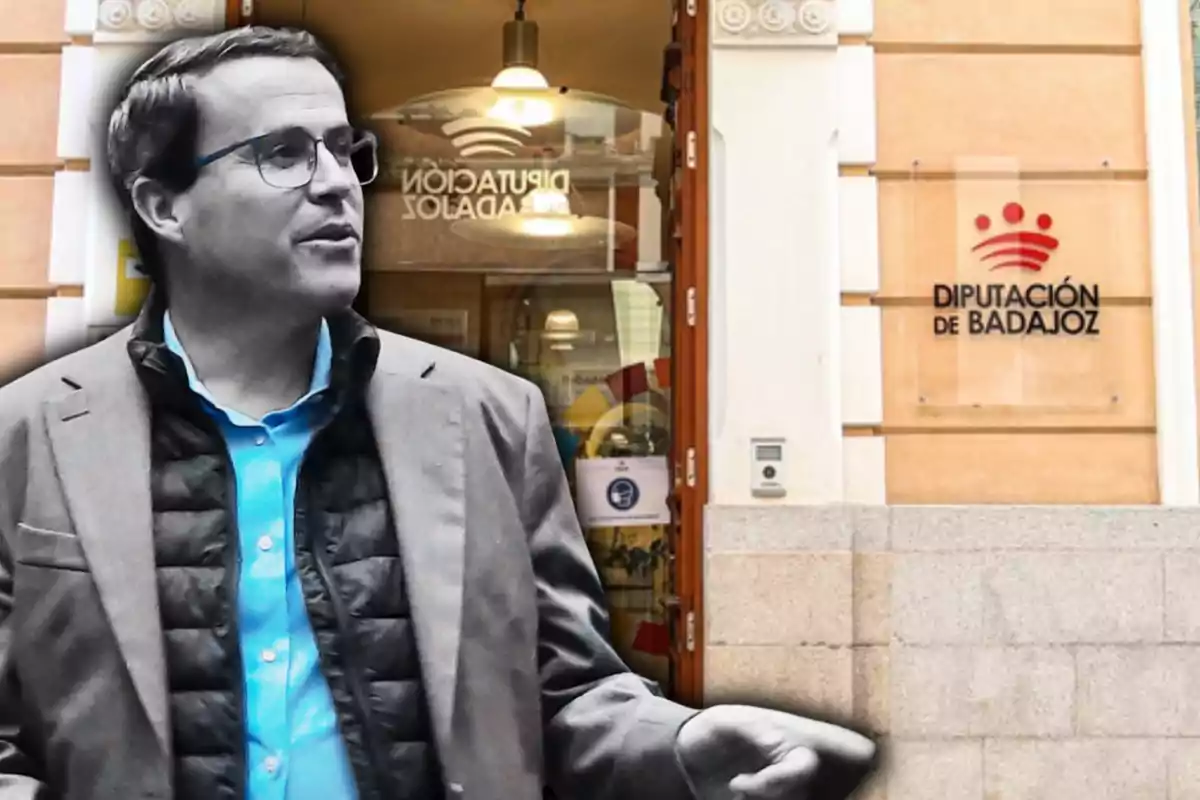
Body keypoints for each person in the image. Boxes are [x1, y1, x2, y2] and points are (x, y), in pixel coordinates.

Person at [0, 25, 877, 800]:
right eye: (284, 153)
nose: (337, 184)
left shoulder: (490, 418)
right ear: (164, 206)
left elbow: (561, 695)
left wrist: (682, 745)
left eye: (345, 150)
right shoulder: (31, 434)